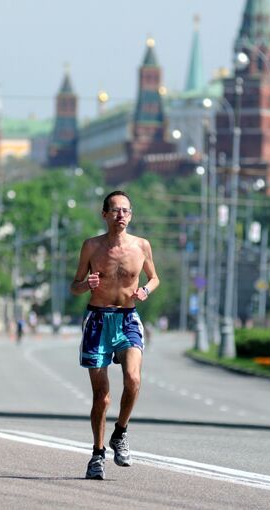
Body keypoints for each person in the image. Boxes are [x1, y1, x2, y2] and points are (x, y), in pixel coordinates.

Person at [70, 190, 159, 480]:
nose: (122, 215)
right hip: (97, 319)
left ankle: (120, 432)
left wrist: (146, 289)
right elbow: (75, 285)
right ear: (105, 214)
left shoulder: (141, 246)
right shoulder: (92, 247)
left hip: (128, 318)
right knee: (102, 397)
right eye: (116, 210)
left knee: (133, 379)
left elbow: (154, 277)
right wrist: (87, 284)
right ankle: (97, 455)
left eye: (127, 211)